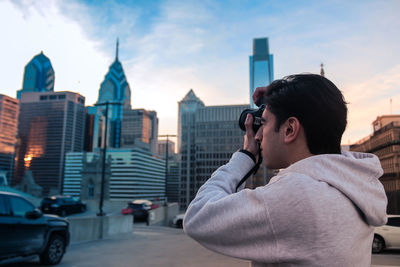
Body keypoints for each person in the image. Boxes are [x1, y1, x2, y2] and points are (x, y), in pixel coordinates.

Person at [183, 74, 388, 267]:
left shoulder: (298, 195)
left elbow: (198, 217)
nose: (257, 135)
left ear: (290, 129)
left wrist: (245, 156)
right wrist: (281, 99)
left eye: (263, 123)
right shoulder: (353, 185)